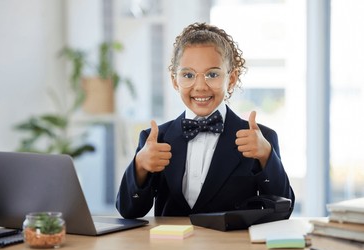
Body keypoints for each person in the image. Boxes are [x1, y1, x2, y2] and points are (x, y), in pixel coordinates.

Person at [116, 22, 295, 218]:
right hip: (170, 247)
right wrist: (139, 166)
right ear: (175, 81)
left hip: (231, 248)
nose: (200, 86)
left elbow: (283, 211)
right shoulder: (155, 139)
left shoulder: (261, 138)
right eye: (188, 75)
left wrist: (266, 157)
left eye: (212, 74)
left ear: (232, 79)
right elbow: (128, 210)